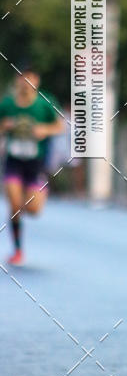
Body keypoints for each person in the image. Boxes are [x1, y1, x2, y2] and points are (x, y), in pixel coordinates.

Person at [0, 64, 63, 265]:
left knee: (33, 211)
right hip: (13, 161)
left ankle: (39, 190)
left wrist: (44, 129)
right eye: (22, 79)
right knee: (15, 204)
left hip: (36, 163)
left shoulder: (45, 103)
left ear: (36, 82)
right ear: (18, 81)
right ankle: (18, 250)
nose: (26, 84)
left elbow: (60, 126)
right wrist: (5, 126)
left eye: (30, 79)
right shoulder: (8, 104)